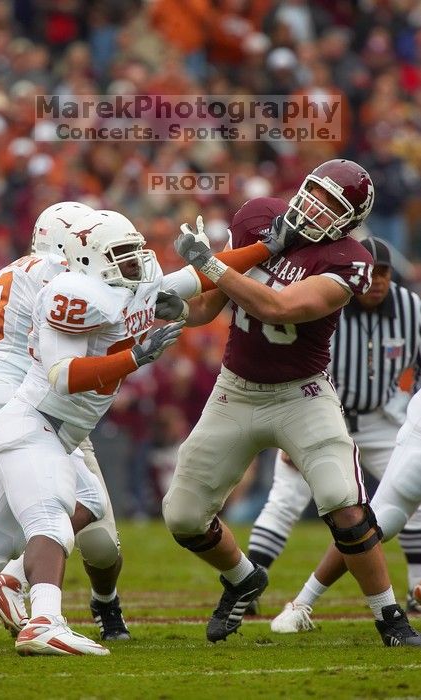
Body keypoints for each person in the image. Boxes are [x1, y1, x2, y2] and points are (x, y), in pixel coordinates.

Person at [0, 207, 278, 656]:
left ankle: (10, 580)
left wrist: (264, 248)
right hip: (24, 409)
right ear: (75, 248)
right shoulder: (65, 285)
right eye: (117, 252)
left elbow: (184, 282)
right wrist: (136, 356)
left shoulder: (9, 277)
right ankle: (44, 618)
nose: (132, 262)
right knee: (51, 512)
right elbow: (62, 374)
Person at [163, 158, 421, 647]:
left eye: (333, 203)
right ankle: (243, 578)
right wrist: (173, 306)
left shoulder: (352, 260)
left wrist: (210, 263)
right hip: (235, 389)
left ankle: (390, 617)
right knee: (182, 515)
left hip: (300, 395)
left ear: (351, 218)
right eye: (316, 192)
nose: (318, 206)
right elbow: (207, 307)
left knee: (343, 502)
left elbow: (279, 306)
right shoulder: (258, 217)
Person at [0, 201, 134, 647]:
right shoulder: (58, 275)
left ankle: (10, 582)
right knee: (68, 504)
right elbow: (67, 361)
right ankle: (44, 618)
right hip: (13, 404)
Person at [245, 237, 421, 630]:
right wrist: (292, 422)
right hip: (317, 414)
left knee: (409, 500)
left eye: (384, 273)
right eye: (369, 272)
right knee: (285, 499)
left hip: (378, 420)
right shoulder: (330, 297)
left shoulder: (412, 309)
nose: (375, 281)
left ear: (393, 276)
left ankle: (415, 587)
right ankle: (249, 586)